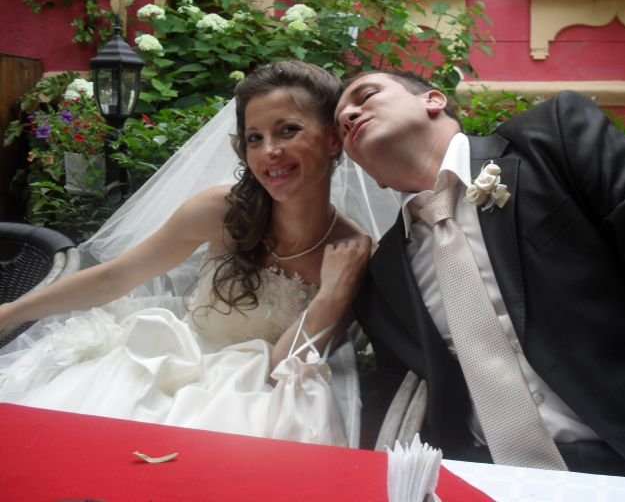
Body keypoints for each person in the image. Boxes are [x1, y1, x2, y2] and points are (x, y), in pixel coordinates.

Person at [335, 70, 625, 487]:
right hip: (479, 477)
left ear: (433, 100)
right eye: (341, 125)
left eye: (366, 95)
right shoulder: (383, 274)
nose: (350, 115)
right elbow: (399, 397)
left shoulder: (554, 139)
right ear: (372, 176)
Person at [0, 60, 372, 448]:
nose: (269, 151)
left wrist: (331, 296)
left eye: (288, 130)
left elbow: (284, 367)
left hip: (259, 408)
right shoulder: (219, 211)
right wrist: (9, 313)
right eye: (254, 138)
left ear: (333, 139)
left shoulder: (352, 252)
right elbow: (115, 277)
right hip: (167, 373)